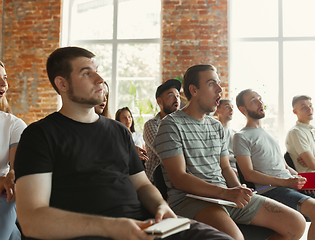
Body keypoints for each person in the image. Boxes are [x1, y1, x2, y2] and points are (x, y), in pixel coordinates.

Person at [14, 46, 234, 240]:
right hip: (93, 233)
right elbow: (32, 218)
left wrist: (161, 207)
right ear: (61, 83)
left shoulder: (118, 131)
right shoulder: (39, 135)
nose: (100, 79)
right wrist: (113, 227)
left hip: (144, 226)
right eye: (86, 73)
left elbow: (142, 185)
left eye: (97, 70)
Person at [153, 64, 306, 240]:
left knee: (296, 223)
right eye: (212, 84)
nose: (220, 89)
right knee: (235, 238)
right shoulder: (171, 125)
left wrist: (238, 189)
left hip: (224, 195)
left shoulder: (216, 126)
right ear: (193, 90)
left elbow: (225, 168)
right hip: (191, 201)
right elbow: (179, 178)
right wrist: (226, 193)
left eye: (219, 83)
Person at [234, 89, 315, 240]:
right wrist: (287, 182)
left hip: (290, 185)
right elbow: (248, 173)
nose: (260, 103)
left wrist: (304, 181)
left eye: (260, 99)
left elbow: (286, 168)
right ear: (243, 109)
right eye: (254, 101)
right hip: (272, 190)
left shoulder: (268, 135)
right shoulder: (241, 136)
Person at [0, 61, 26, 240]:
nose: (4, 84)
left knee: (11, 193)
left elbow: (16, 171)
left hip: (3, 196)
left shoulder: (14, 125)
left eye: (5, 78)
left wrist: (9, 177)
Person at [143, 79, 181, 183]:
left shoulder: (183, 124)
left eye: (178, 95)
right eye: (170, 95)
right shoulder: (151, 125)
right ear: (160, 101)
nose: (176, 99)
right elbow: (165, 152)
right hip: (156, 183)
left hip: (179, 181)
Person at [215, 99, 237, 173]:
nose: (231, 110)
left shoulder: (235, 134)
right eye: (227, 107)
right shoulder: (214, 131)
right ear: (217, 110)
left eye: (232, 107)